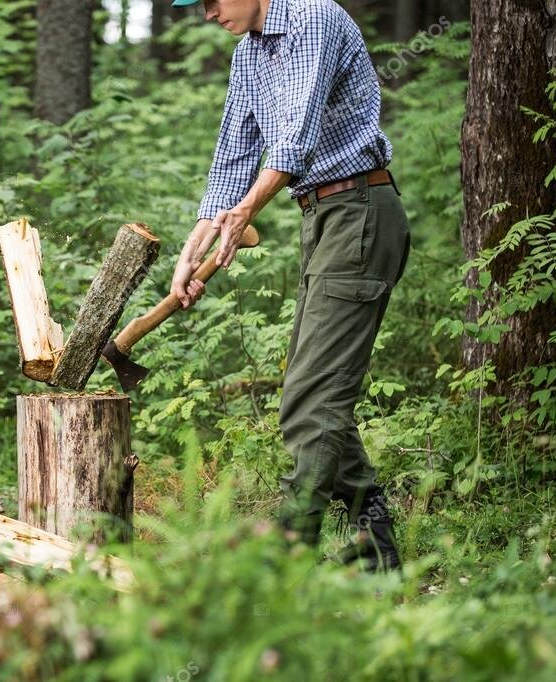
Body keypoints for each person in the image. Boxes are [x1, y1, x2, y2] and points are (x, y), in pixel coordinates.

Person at [168, 0, 411, 572]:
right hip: (322, 218)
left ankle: (287, 559)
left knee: (309, 401)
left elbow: (294, 138)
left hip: (360, 211)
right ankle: (380, 552)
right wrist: (193, 246)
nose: (206, 13)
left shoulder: (311, 19)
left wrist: (246, 210)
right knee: (311, 397)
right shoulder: (250, 53)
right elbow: (234, 154)